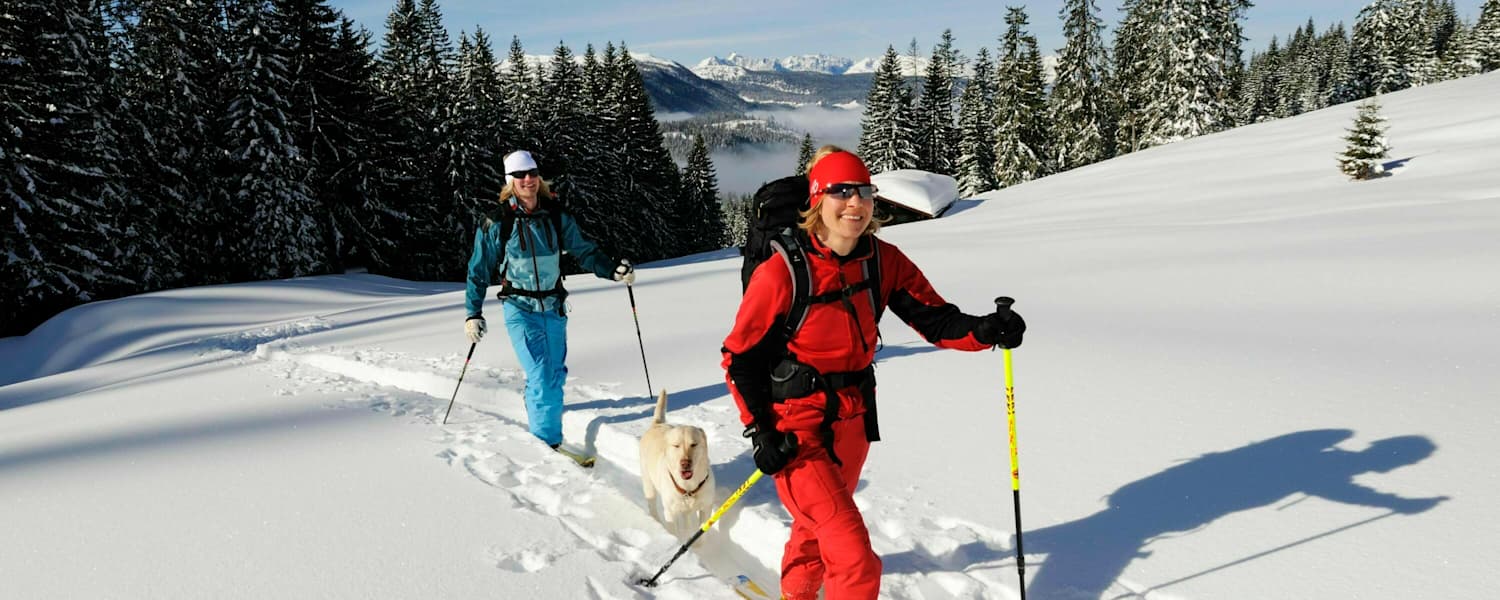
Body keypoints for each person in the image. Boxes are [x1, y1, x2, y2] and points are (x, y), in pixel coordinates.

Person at [721, 148, 1026, 599]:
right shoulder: (783, 272)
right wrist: (761, 431)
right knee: (853, 556)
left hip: (854, 420)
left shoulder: (883, 260)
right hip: (796, 429)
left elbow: (935, 319)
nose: (855, 203)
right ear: (817, 202)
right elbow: (739, 358)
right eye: (840, 192)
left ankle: (797, 594)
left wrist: (984, 331)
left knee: (816, 528)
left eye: (863, 191)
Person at [464, 150, 635, 449]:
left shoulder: (556, 217)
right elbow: (478, 270)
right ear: (510, 181)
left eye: (532, 173)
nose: (528, 179)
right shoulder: (497, 222)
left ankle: (539, 413)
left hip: (554, 307)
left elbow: (584, 251)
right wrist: (472, 313)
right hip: (519, 307)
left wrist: (613, 271)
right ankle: (547, 447)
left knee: (554, 375)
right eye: (520, 175)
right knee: (542, 376)